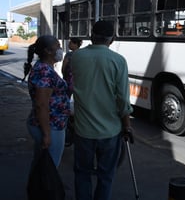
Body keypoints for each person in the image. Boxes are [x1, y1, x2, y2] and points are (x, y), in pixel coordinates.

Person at [71, 20, 134, 200]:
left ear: (91, 36)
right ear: (112, 39)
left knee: (82, 174)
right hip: (110, 131)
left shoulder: (77, 57)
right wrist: (127, 126)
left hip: (83, 131)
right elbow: (122, 99)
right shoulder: (118, 61)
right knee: (106, 176)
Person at [26, 35, 71, 168]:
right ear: (47, 51)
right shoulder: (44, 71)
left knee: (41, 165)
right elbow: (41, 104)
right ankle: (43, 189)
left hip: (50, 124)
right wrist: (46, 134)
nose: (60, 49)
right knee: (49, 168)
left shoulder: (45, 68)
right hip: (51, 126)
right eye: (57, 46)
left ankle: (35, 188)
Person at [61, 37, 82, 147]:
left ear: (75, 44)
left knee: (66, 100)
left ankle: (68, 121)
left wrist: (65, 75)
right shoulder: (82, 54)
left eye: (71, 43)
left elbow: (64, 67)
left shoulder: (69, 55)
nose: (69, 44)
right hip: (78, 81)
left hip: (69, 80)